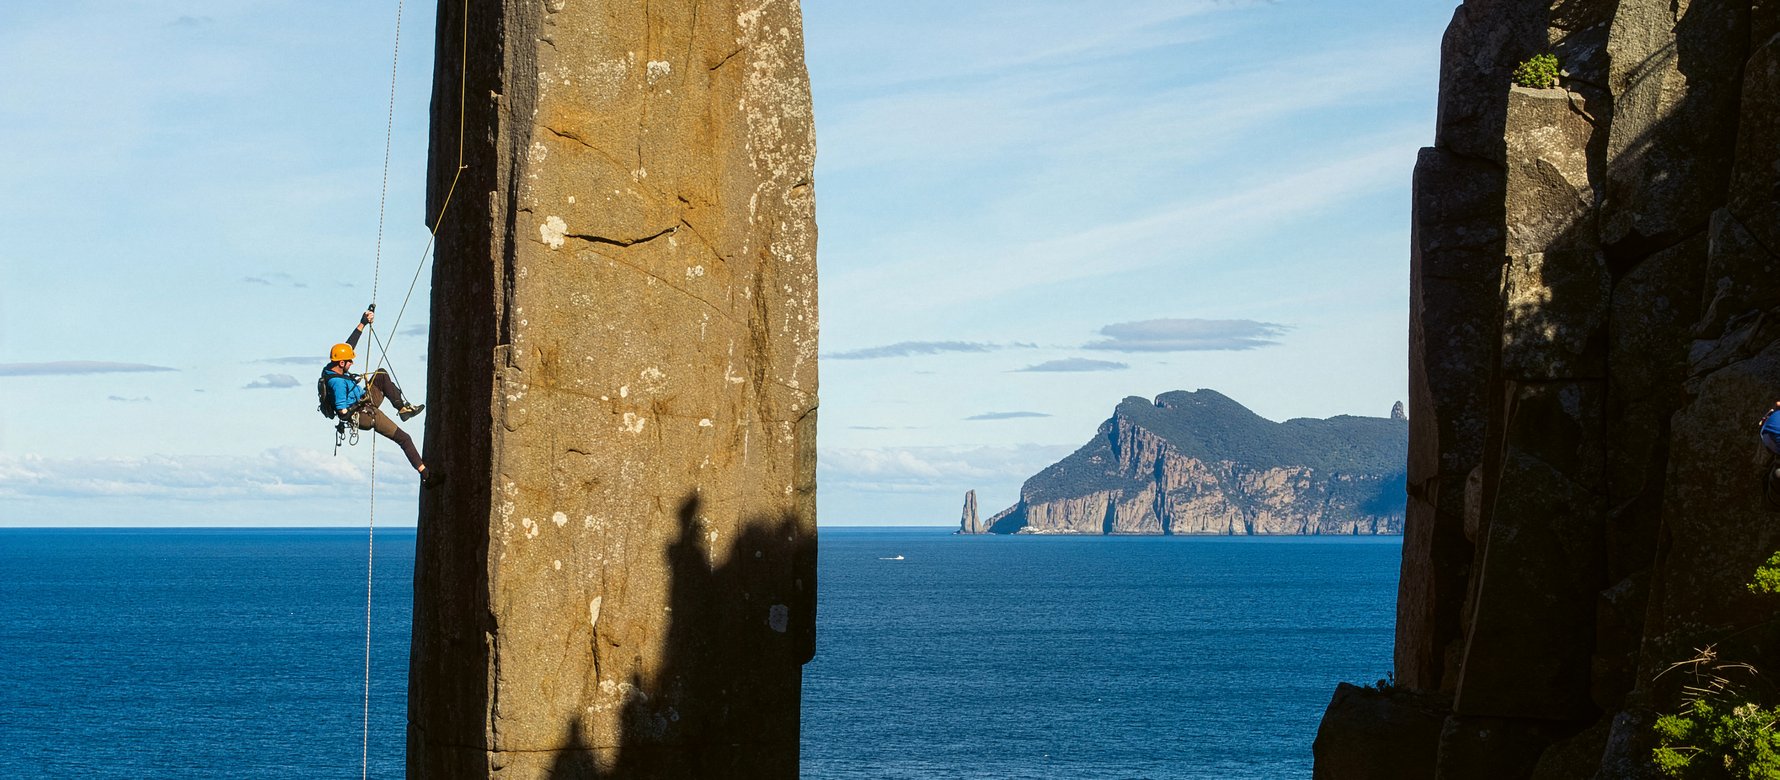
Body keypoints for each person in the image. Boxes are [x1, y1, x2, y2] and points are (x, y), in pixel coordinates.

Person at [322, 307, 441, 487]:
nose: (352, 363)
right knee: (404, 438)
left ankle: (403, 409)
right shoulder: (337, 383)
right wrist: (360, 405)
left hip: (363, 400)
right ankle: (426, 476)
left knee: (381, 374)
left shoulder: (331, 368)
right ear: (342, 363)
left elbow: (348, 346)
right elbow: (343, 412)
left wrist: (363, 322)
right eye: (350, 361)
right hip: (363, 414)